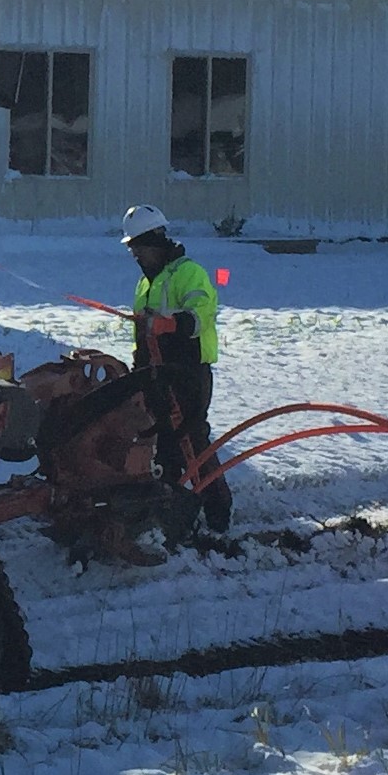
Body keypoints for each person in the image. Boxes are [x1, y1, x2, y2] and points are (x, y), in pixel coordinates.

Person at [122, 203, 231, 535]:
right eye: (133, 250)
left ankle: (217, 513)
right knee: (164, 445)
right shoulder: (146, 284)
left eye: (139, 248)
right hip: (157, 372)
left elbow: (202, 316)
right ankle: (175, 512)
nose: (136, 255)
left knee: (193, 442)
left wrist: (169, 325)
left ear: (155, 241)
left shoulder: (189, 273)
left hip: (188, 371)